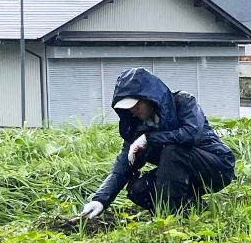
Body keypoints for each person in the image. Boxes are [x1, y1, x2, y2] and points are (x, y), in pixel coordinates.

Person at [80, 67, 235, 222]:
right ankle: (194, 211)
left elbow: (191, 134)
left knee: (172, 150)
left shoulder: (183, 102)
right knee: (138, 189)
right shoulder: (136, 127)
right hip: (180, 173)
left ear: (149, 98)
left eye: (136, 105)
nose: (133, 111)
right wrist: (100, 199)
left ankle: (169, 220)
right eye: (128, 108)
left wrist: (149, 138)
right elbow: (123, 167)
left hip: (216, 166)